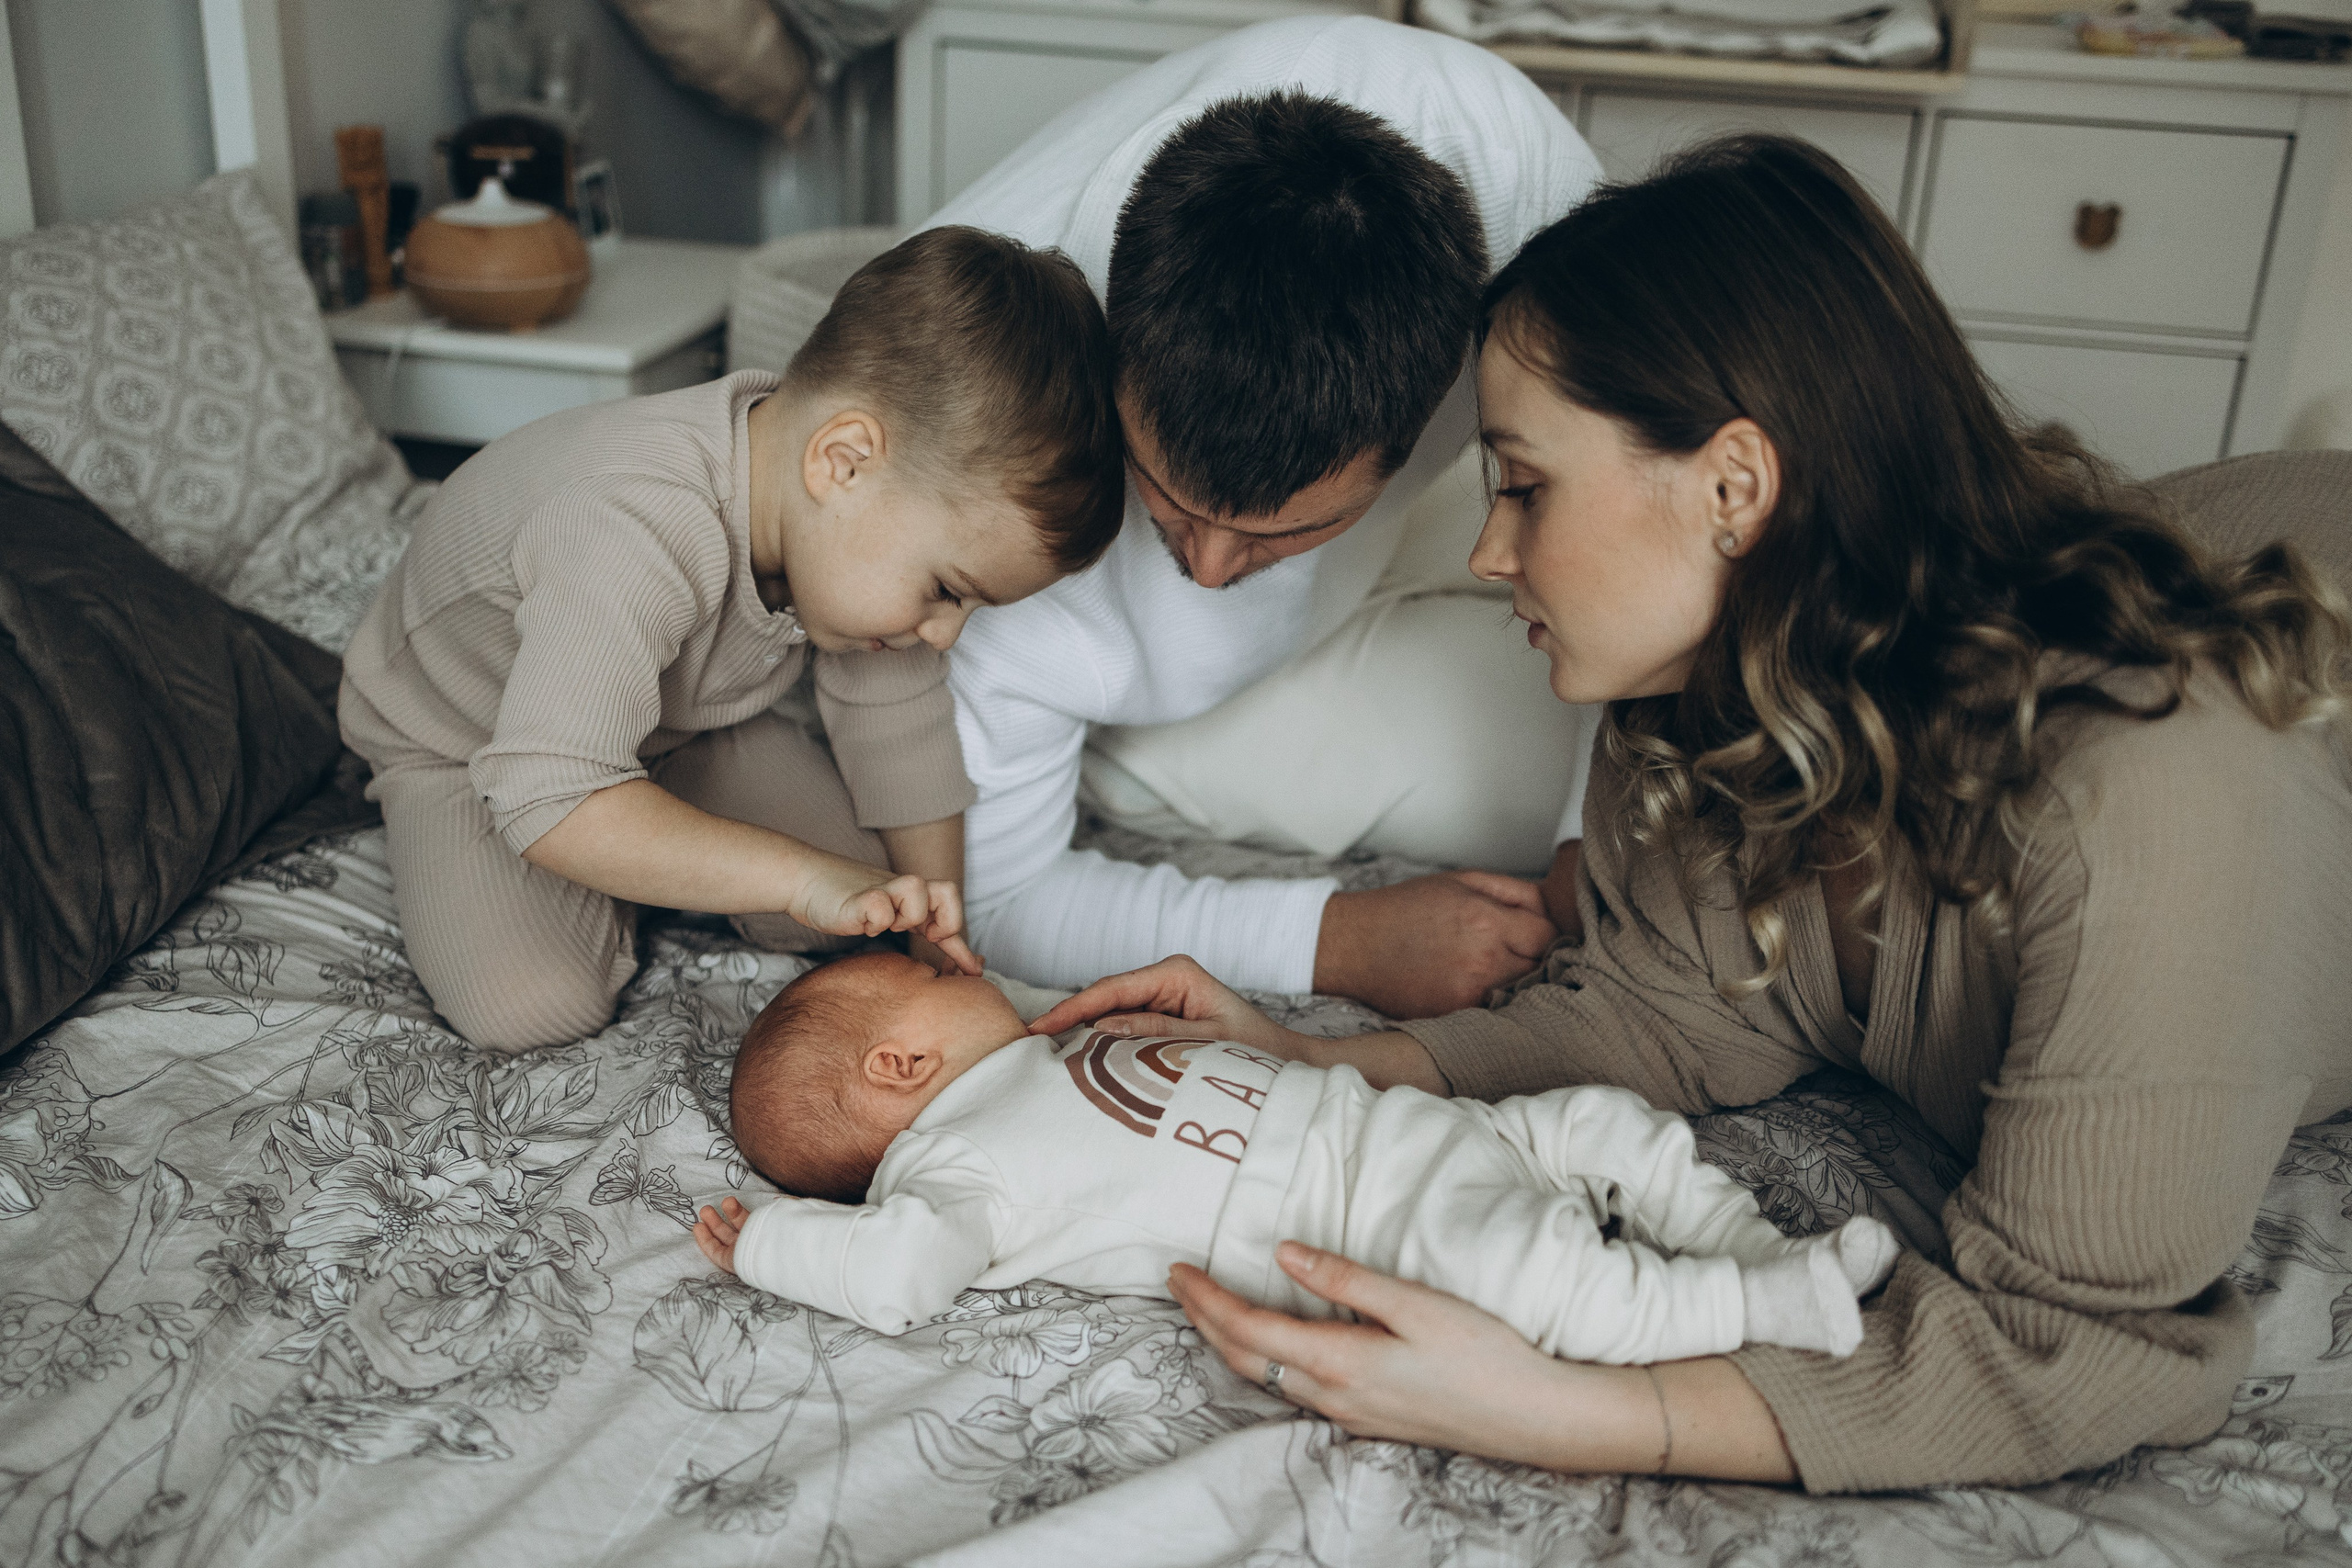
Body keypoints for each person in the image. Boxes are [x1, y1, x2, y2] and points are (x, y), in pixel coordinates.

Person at [1029, 136, 2352, 1493]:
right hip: (2190, 529)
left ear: (1733, 486)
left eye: (1526, 486)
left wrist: (1571, 1405)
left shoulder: (2154, 793)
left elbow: (2079, 1342)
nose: (1490, 554)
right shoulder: (1716, 684)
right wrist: (1312, 1066)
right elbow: (1657, 1006)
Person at [916, 17, 1607, 1017]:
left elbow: (1667, 515)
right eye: (1171, 501)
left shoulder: (1527, 184)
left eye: (1278, 534)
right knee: (1520, 800)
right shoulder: (981, 495)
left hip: (1464, 470)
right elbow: (996, 899)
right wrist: (1339, 940)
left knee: (1659, 785)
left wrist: (1595, 837)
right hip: (1100, 654)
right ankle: (1132, 755)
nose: (1206, 567)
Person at [339, 228, 1122, 1052]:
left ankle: (644, 833)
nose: (944, 632)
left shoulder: (842, 528)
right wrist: (792, 876)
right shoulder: (634, 522)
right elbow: (550, 785)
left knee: (870, 903)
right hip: (471, 739)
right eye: (947, 592)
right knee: (537, 1005)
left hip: (671, 726)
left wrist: (932, 926)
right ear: (842, 462)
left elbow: (901, 725)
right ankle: (627, 847)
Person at [692, 953, 1900, 1359]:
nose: (977, 972)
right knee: (1541, 1278)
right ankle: (1748, 1303)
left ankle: (1762, 1242)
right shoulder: (956, 1169)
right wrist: (775, 1242)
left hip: (1404, 1128)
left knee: (1599, 1121)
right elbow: (901, 1277)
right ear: (900, 1068)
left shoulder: (1036, 1051)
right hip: (1360, 1223)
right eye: (941, 979)